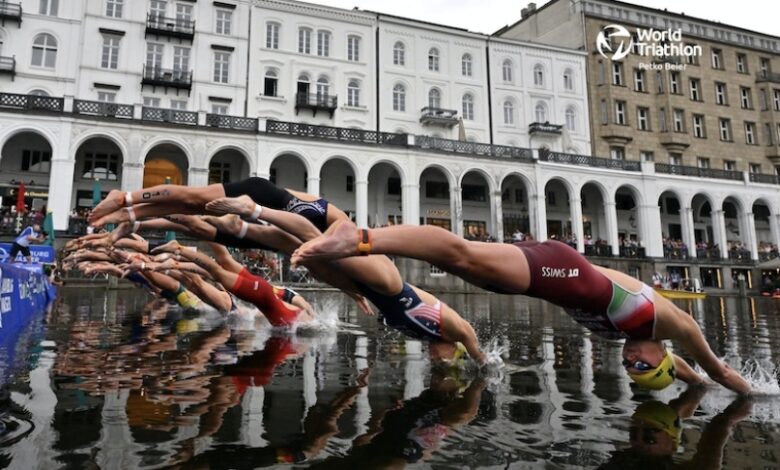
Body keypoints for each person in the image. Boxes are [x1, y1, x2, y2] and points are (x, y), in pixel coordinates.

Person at [291, 221, 752, 395]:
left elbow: (687, 373)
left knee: (469, 269)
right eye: (643, 366)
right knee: (460, 254)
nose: (631, 362)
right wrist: (753, 393)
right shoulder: (670, 323)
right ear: (662, 355)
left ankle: (358, 240)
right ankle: (360, 239)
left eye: (632, 370)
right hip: (562, 270)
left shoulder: (646, 345)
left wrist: (692, 389)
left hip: (545, 279)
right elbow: (717, 369)